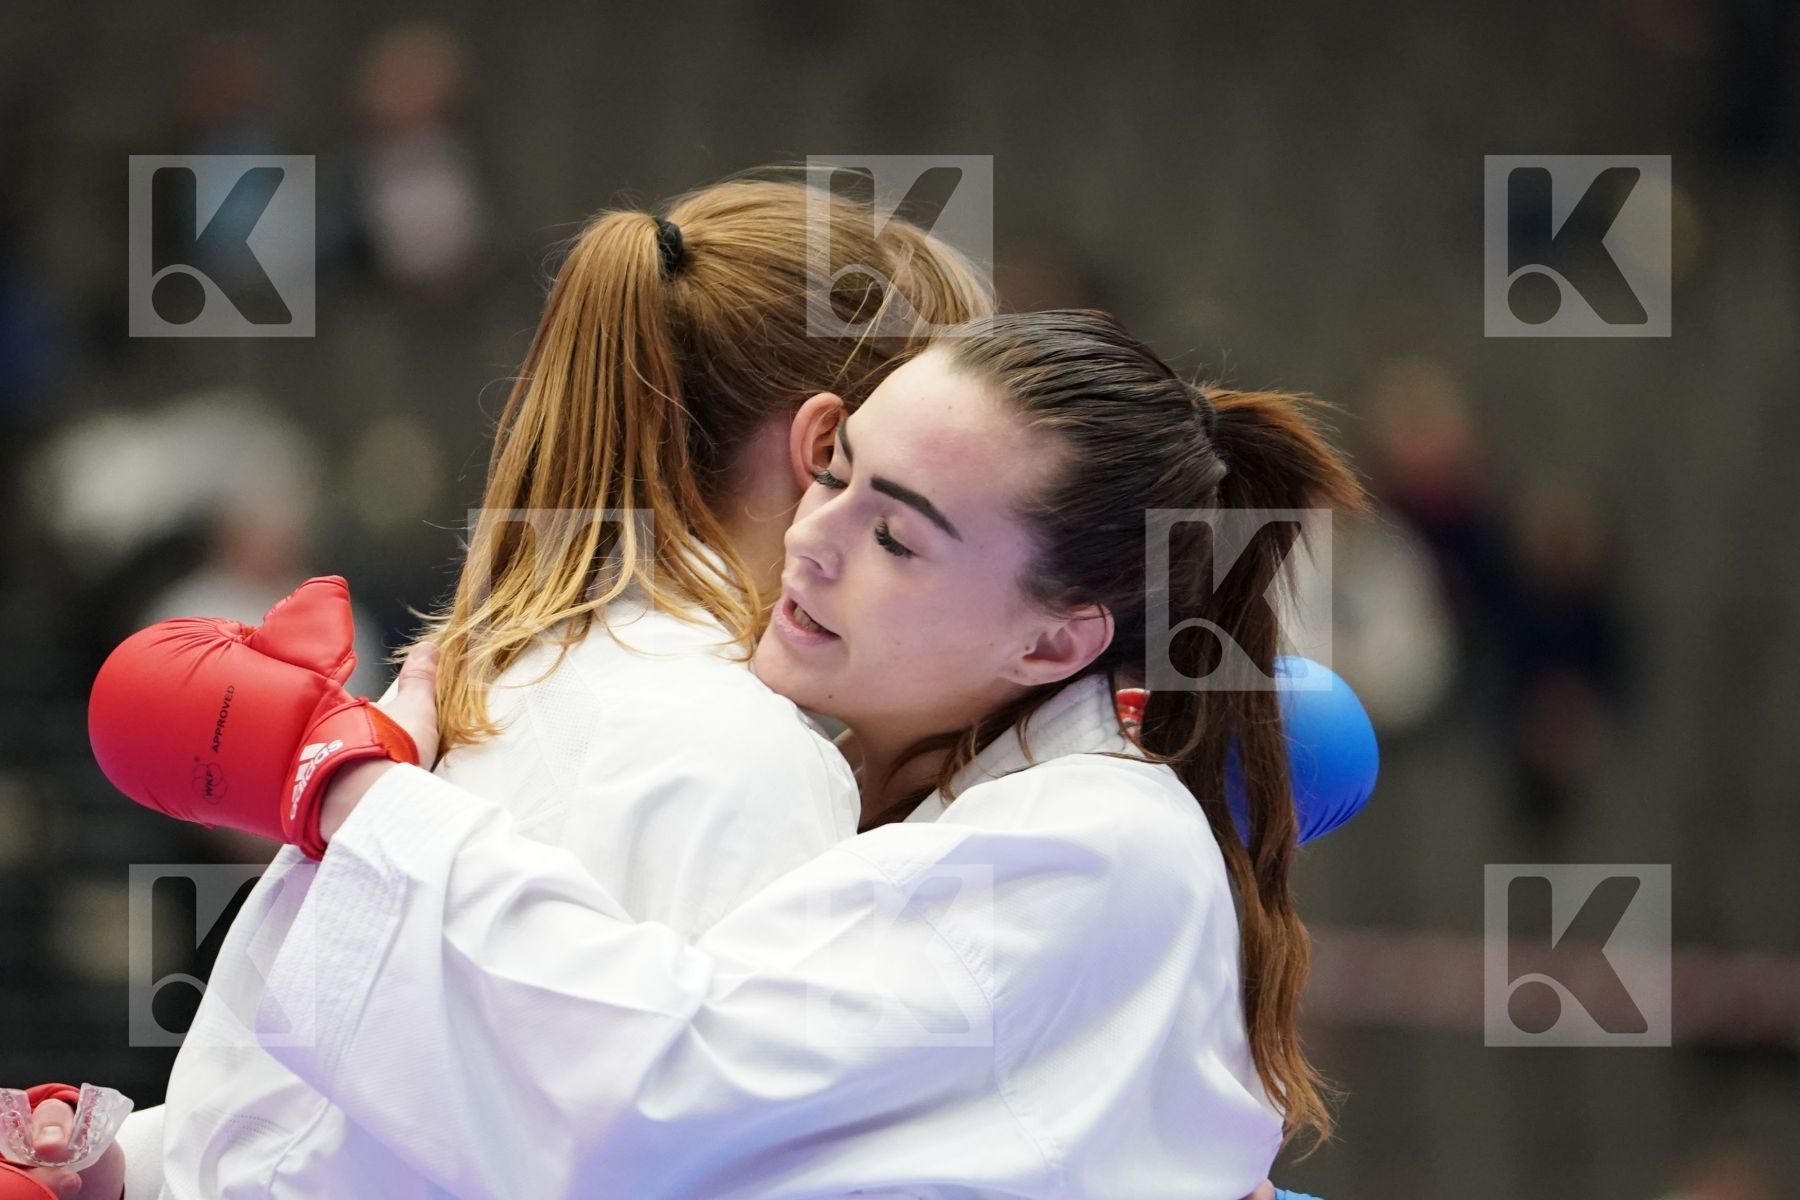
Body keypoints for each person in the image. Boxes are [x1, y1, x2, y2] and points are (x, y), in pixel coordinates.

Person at [91, 310, 1368, 1198]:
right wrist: (141, 1169)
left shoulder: (1094, 844)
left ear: (1057, 640)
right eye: (837, 473)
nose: (815, 540)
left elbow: (647, 1115)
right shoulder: (990, 813)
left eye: (901, 539)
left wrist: (352, 779)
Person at [17, 171, 988, 1200]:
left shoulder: (450, 702)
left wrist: (127, 1171)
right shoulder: (751, 759)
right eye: (939, 490)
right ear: (827, 451)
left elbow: (257, 1122)